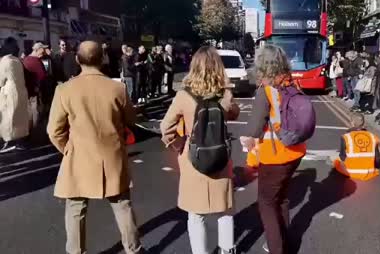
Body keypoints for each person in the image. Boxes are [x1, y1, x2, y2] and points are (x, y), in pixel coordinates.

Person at [47, 41, 144, 254]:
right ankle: (133, 249)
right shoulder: (117, 88)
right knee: (122, 205)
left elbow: (54, 130)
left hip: (79, 155)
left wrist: (67, 149)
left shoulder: (64, 90)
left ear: (77, 60)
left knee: (75, 208)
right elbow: (131, 119)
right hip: (112, 155)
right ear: (103, 58)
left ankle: (76, 251)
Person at [160, 46, 239, 254]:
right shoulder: (225, 93)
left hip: (193, 157)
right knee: (225, 209)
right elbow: (234, 115)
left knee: (196, 214)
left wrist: (179, 145)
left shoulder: (183, 96)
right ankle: (227, 249)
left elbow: (165, 127)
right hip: (220, 156)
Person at [241, 45, 307, 254]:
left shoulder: (265, 90)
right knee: (282, 198)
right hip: (295, 149)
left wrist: (247, 142)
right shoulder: (291, 83)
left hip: (275, 155)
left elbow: (254, 128)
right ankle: (284, 242)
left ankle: (276, 248)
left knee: (266, 203)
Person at [0, 37, 30, 153]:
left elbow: (0, 80)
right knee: (20, 117)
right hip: (21, 91)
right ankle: (20, 141)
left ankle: (9, 142)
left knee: (8, 118)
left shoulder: (4, 61)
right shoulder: (17, 60)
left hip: (9, 92)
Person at [333, 113, 380, 181]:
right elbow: (377, 158)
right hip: (368, 173)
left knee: (335, 160)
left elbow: (342, 157)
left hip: (350, 172)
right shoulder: (373, 137)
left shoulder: (346, 137)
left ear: (352, 123)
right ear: (363, 123)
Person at [23, 42, 49, 130]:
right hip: (36, 95)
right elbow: (42, 77)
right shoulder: (34, 61)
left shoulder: (26, 59)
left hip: (30, 94)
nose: (44, 51)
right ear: (37, 50)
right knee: (36, 118)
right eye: (43, 49)